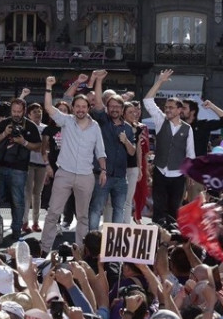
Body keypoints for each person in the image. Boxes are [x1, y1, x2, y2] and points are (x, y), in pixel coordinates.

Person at [41, 76, 106, 254]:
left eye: (83, 107)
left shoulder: (95, 127)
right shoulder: (66, 121)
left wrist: (103, 170)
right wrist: (48, 86)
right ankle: (44, 249)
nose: (80, 109)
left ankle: (82, 253)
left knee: (83, 217)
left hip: (86, 175)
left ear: (88, 108)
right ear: (73, 108)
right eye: (77, 106)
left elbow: (100, 151)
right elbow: (48, 107)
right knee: (53, 213)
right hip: (64, 173)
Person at [143, 69, 195, 223]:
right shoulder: (160, 121)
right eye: (166, 107)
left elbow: (190, 152)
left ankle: (171, 237)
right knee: (158, 208)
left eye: (171, 107)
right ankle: (157, 238)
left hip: (178, 175)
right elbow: (148, 101)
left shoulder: (187, 128)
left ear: (179, 110)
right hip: (160, 171)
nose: (167, 110)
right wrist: (159, 82)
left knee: (174, 209)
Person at [0, 97, 41, 244]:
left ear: (24, 111)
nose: (16, 114)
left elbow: (38, 146)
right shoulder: (5, 123)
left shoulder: (30, 126)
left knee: (18, 201)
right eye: (14, 111)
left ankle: (17, 230)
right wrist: (5, 133)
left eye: (19, 111)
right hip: (1, 166)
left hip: (20, 168)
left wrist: (23, 142)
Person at [88, 70, 135, 229]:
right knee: (96, 208)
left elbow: (132, 152)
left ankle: (114, 242)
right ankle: (92, 239)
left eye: (118, 107)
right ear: (108, 108)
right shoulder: (102, 121)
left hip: (121, 177)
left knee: (119, 210)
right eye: (112, 106)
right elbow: (98, 103)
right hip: (103, 175)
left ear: (122, 109)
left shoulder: (128, 128)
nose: (114, 109)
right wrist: (99, 80)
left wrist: (126, 141)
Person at [42, 101, 76, 231]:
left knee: (70, 195)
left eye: (64, 110)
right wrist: (47, 166)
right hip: (54, 166)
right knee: (53, 196)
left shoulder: (73, 128)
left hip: (70, 167)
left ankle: (68, 220)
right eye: (59, 110)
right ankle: (55, 222)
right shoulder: (48, 129)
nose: (61, 112)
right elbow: (44, 150)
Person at [22, 101, 47, 234]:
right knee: (27, 193)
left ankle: (36, 222)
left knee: (37, 194)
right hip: (29, 163)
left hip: (42, 164)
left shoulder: (45, 128)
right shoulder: (27, 126)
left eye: (39, 111)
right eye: (35, 112)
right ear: (29, 115)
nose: (38, 114)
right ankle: (24, 221)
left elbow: (47, 146)